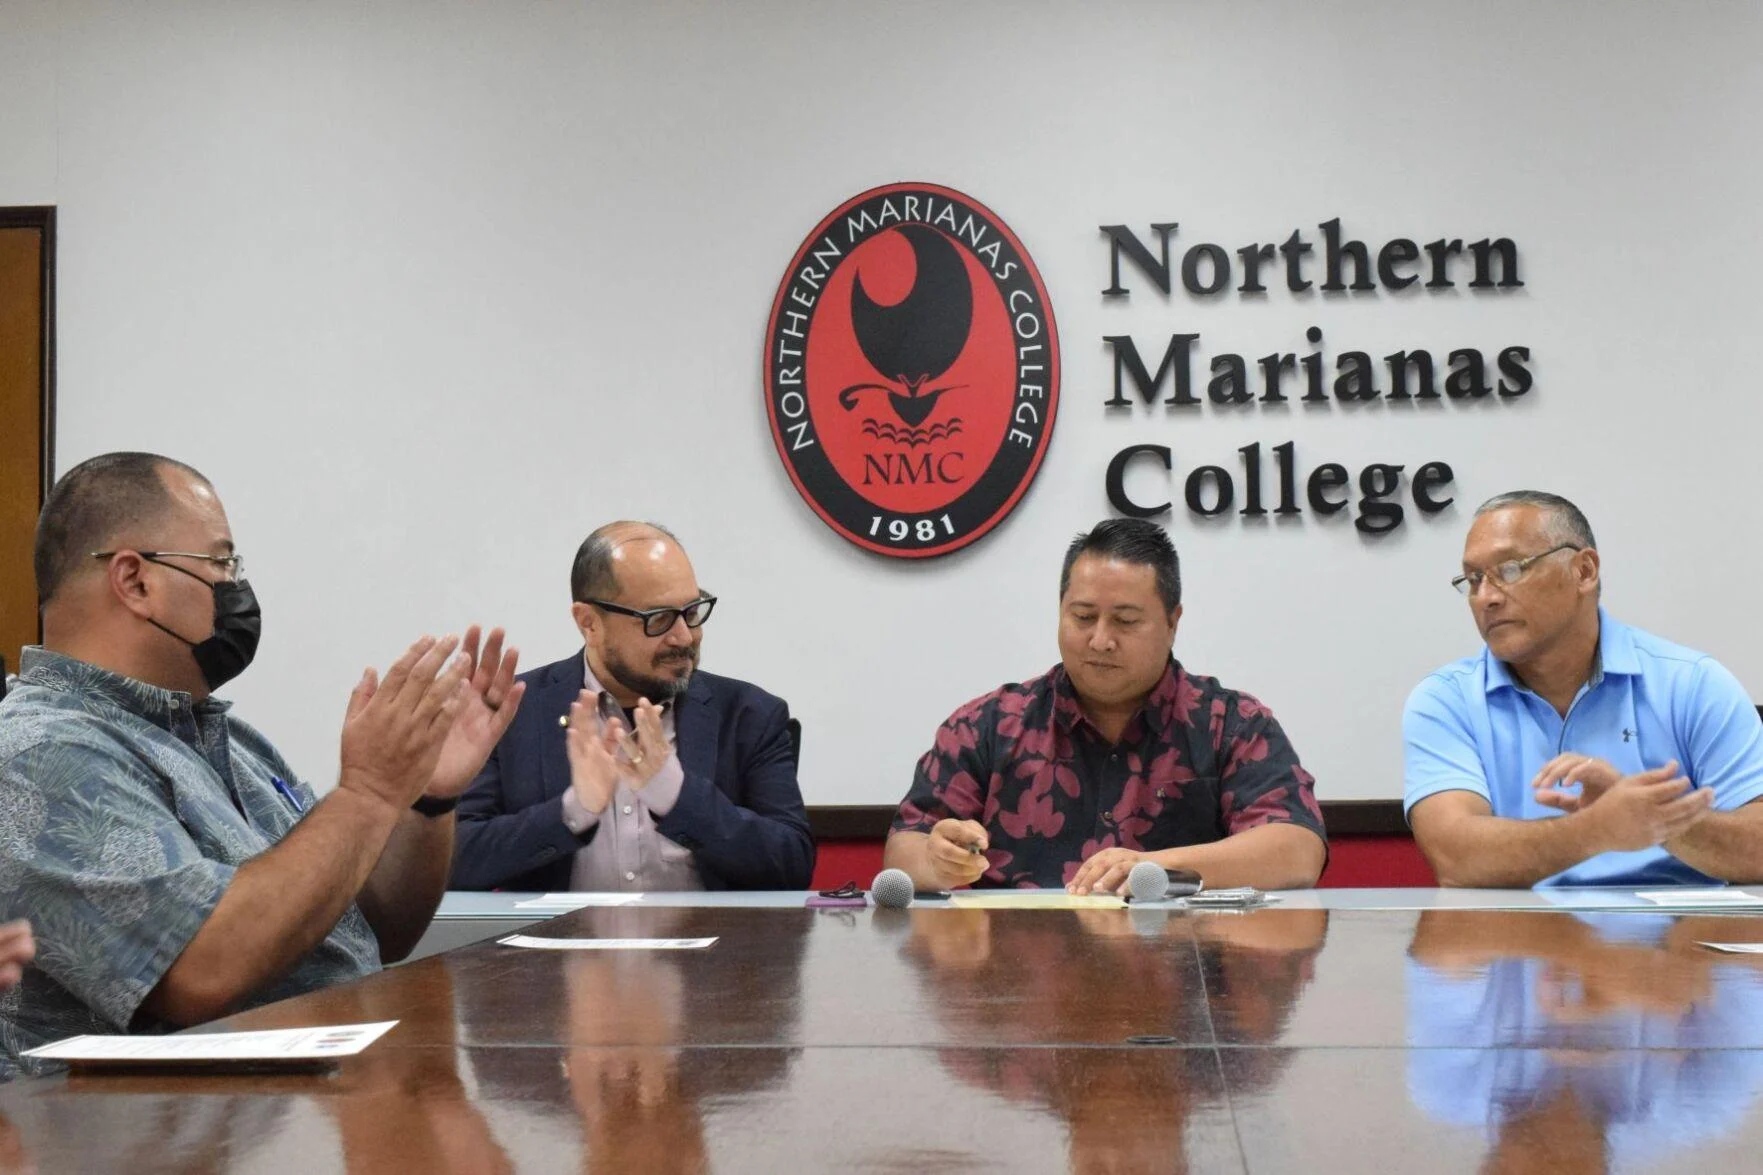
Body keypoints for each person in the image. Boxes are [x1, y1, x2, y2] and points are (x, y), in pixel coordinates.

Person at [0, 452, 522, 1062]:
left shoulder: (231, 740)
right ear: (135, 580)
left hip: (313, 1100)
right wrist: (368, 794)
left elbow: (375, 928)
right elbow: (201, 970)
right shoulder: (39, 752)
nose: (235, 586)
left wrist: (426, 800)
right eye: (220, 561)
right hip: (154, 1140)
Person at [884, 517, 1327, 894]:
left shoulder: (1230, 725)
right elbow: (903, 852)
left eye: (1125, 621)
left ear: (1173, 623)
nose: (1099, 640)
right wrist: (936, 859)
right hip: (1016, 983)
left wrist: (1151, 867)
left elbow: (1296, 849)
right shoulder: (989, 725)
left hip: (1185, 980)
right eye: (1081, 616)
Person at [1405, 490, 1763, 887]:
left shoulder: (1691, 682)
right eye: (1473, 580)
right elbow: (1457, 858)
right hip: (1517, 937)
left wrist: (1661, 820)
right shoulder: (1446, 700)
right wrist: (1597, 828)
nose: (1486, 598)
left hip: (1679, 937)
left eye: (1509, 569)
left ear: (1584, 571)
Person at [450, 522, 814, 892]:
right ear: (588, 622)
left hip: (711, 947)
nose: (684, 637)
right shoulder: (515, 712)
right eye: (657, 619)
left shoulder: (749, 715)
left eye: (692, 611)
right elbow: (455, 863)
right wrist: (573, 811)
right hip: (554, 947)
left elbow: (792, 866)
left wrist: (676, 796)